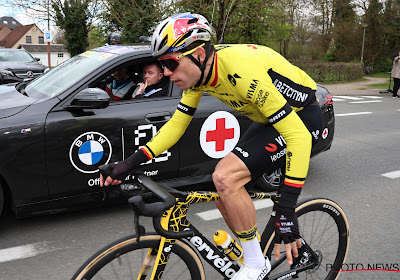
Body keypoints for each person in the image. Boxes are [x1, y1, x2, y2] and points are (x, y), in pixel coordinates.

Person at [100, 12, 322, 280]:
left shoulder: (242, 72)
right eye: (162, 65)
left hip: (300, 118)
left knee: (225, 176)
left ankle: (255, 264)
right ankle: (254, 255)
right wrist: (129, 162)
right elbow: (176, 125)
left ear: (200, 55)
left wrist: (287, 210)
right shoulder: (198, 75)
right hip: (268, 119)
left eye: (171, 63)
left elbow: (298, 137)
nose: (167, 73)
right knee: (223, 192)